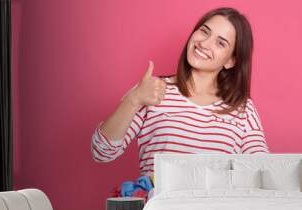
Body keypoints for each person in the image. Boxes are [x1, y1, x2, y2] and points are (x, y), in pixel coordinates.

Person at [91, 7, 269, 198]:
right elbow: (102, 152)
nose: (204, 43)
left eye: (220, 43)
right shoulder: (152, 90)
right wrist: (134, 99)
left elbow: (262, 174)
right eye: (204, 31)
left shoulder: (242, 109)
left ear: (231, 60)